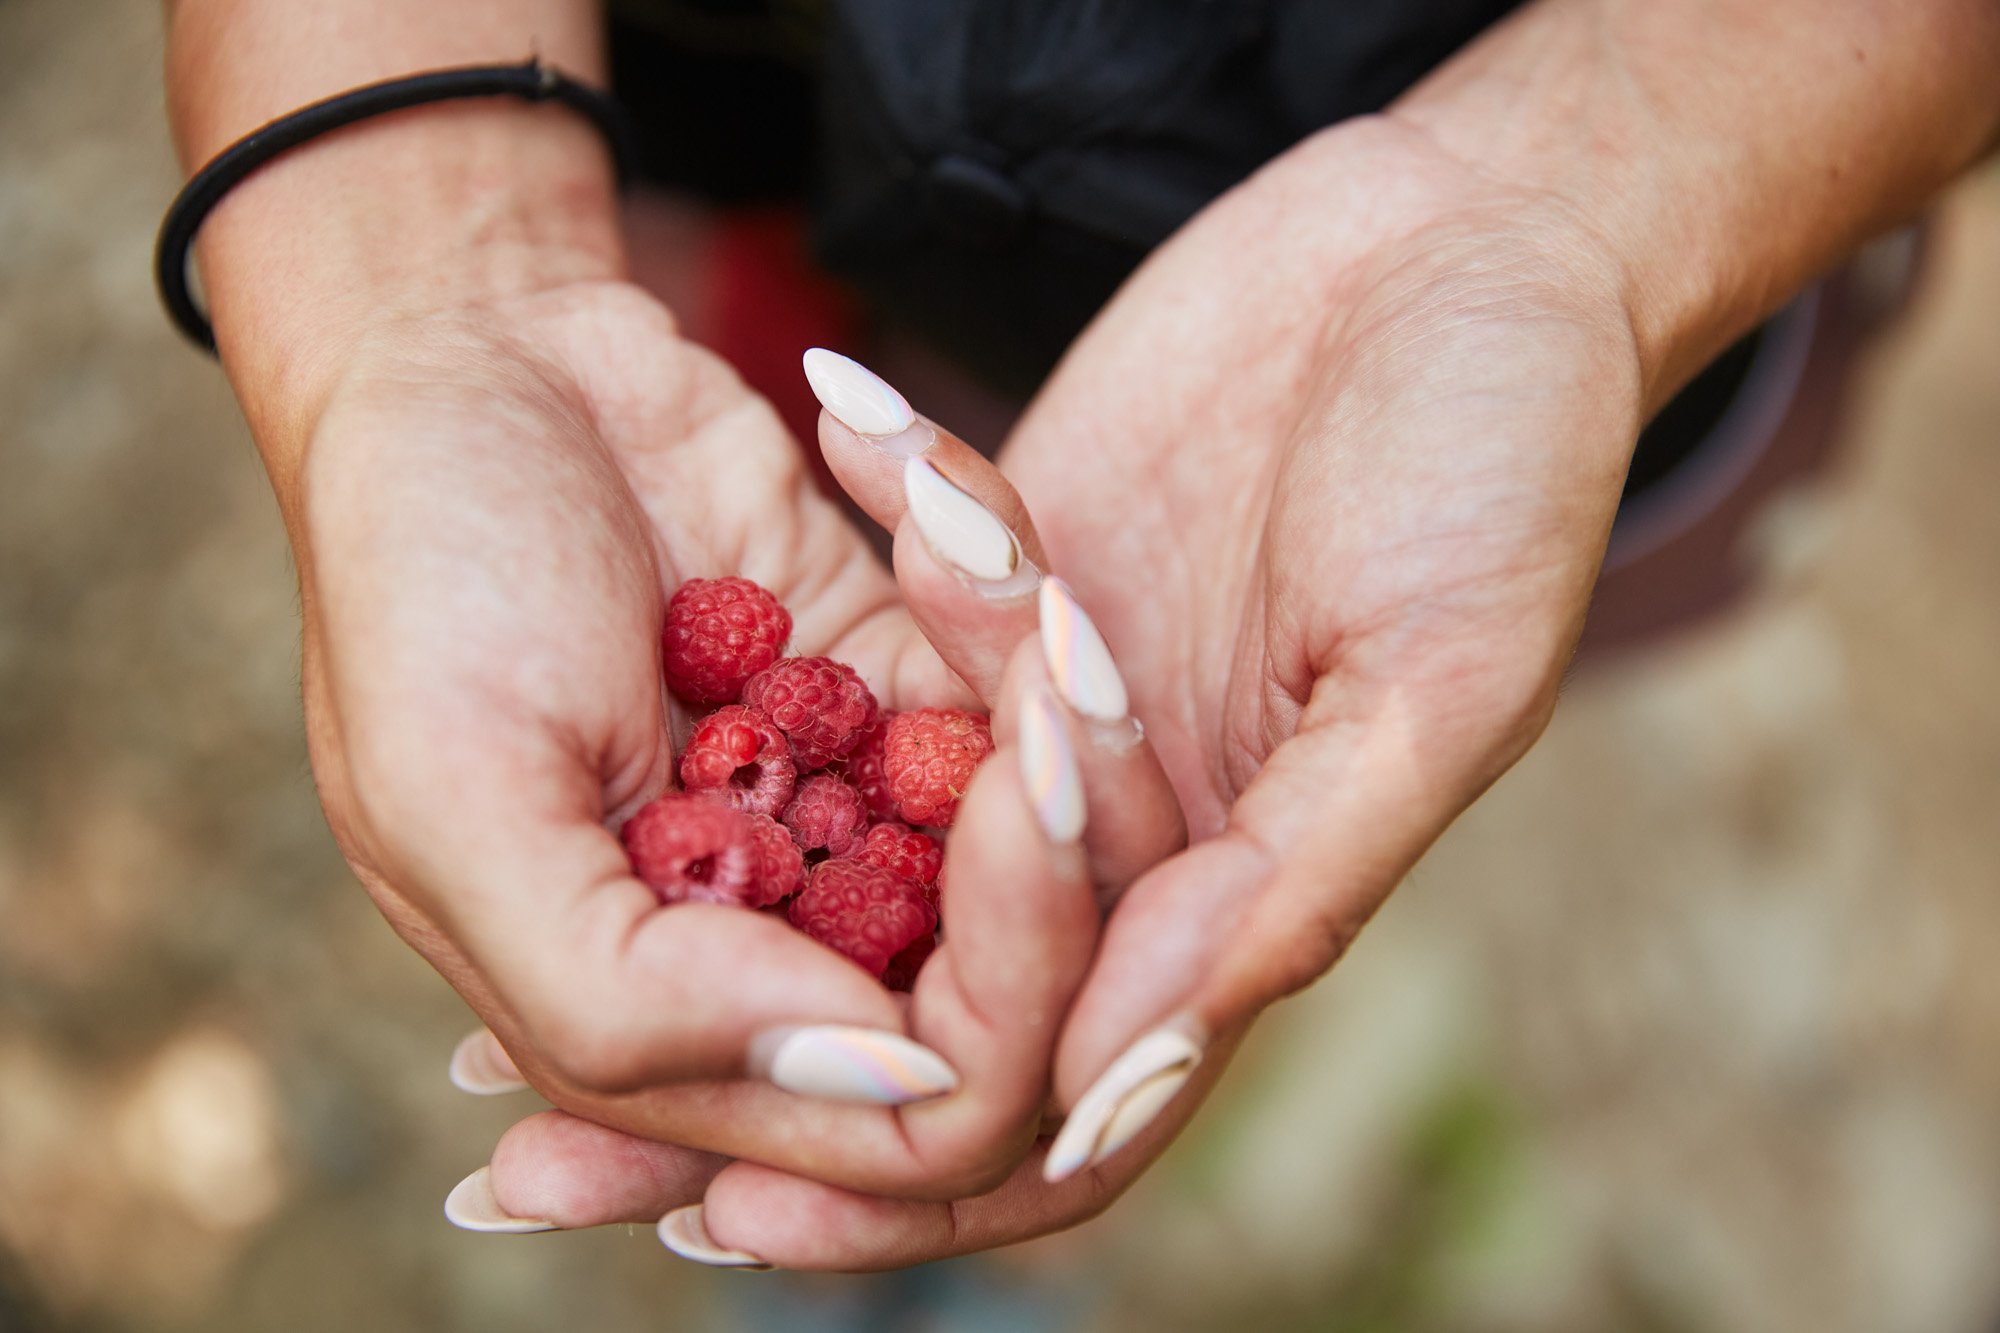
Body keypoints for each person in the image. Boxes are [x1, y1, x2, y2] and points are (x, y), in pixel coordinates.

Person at [163, 0, 2000, 1269]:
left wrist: (1583, 192)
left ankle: (853, 1218)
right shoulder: (742, 616)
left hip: (1356, 348)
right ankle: (833, 1223)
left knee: (1144, 712)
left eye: (752, 795)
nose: (764, 797)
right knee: (735, 437)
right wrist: (442, 258)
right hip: (698, 136)